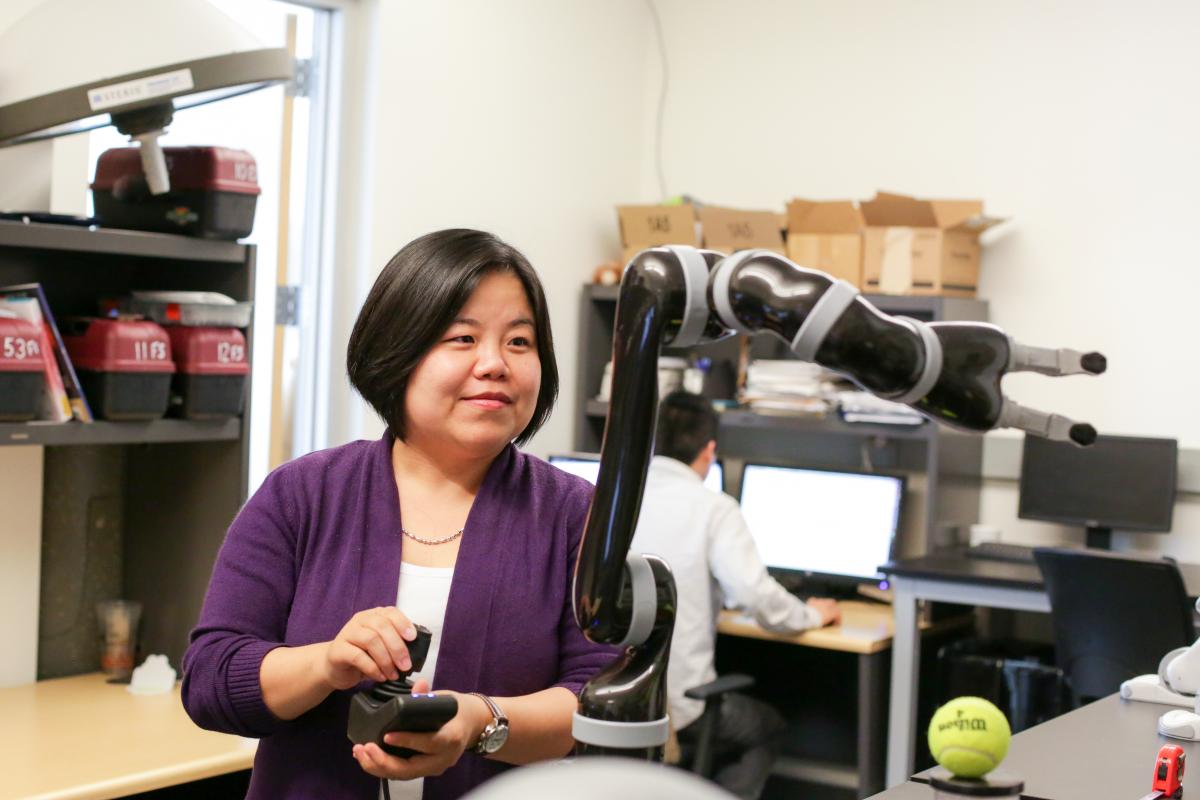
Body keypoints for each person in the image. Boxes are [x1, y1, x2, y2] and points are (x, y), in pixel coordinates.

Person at [182, 229, 618, 800]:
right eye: (462, 337)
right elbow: (212, 681)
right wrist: (326, 664)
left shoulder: (572, 514)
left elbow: (599, 701)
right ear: (398, 350)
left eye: (519, 342)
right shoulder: (303, 495)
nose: (494, 364)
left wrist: (477, 724)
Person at [630, 390, 841, 800]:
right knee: (768, 728)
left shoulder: (614, 499)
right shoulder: (713, 508)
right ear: (709, 451)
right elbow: (754, 596)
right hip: (678, 709)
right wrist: (811, 615)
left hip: (611, 702)